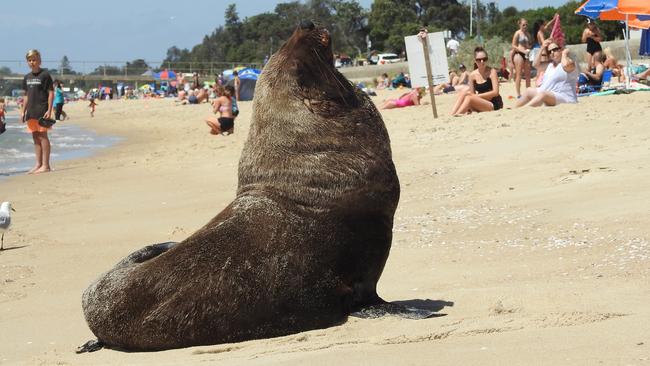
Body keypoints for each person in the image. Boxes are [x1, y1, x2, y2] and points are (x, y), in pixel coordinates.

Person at [20, 49, 54, 174]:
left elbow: (51, 93)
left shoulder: (45, 75)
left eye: (34, 59)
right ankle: (38, 164)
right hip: (31, 111)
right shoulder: (27, 77)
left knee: (43, 136)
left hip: (42, 110)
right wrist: (23, 111)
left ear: (39, 60)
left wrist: (49, 110)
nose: (32, 62)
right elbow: (26, 96)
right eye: (29, 60)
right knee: (35, 137)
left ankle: (46, 165)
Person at [516, 40, 578, 108]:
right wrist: (542, 48)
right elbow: (535, 64)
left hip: (565, 97)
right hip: (549, 94)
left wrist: (564, 54)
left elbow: (566, 66)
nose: (552, 53)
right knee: (528, 91)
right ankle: (515, 109)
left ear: (561, 49)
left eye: (555, 50)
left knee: (543, 94)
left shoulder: (570, 63)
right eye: (549, 51)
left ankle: (524, 109)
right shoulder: (549, 65)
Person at [450, 47, 503, 116]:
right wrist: (474, 97)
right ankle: (452, 114)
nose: (482, 62)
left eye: (484, 59)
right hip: (480, 102)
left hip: (493, 103)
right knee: (463, 93)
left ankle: (457, 114)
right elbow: (472, 94)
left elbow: (495, 92)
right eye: (479, 60)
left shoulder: (492, 72)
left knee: (469, 97)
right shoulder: (472, 75)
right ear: (475, 61)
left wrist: (477, 96)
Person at [531, 14, 558, 85]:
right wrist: (550, 39)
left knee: (542, 70)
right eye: (544, 25)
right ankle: (538, 84)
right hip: (543, 53)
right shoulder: (540, 33)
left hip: (543, 52)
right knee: (540, 71)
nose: (545, 26)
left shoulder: (540, 31)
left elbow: (547, 25)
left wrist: (554, 19)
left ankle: (539, 83)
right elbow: (543, 43)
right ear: (541, 26)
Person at [511, 18, 532, 98]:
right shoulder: (517, 33)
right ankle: (518, 94)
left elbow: (529, 44)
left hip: (526, 54)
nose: (525, 26)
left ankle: (528, 92)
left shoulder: (528, 34)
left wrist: (529, 48)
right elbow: (513, 45)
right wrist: (522, 51)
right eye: (523, 25)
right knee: (519, 74)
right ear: (519, 25)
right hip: (519, 54)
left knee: (528, 74)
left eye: (526, 24)